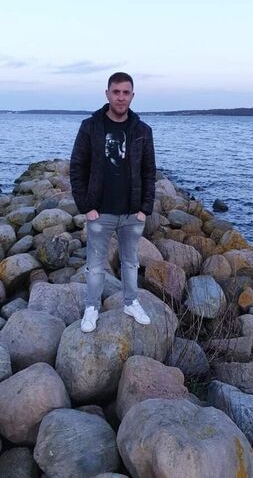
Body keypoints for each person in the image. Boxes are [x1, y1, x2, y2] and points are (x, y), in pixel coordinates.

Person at [70, 72, 156, 332]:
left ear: (132, 96)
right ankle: (92, 308)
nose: (121, 97)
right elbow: (77, 167)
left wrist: (144, 209)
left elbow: (149, 172)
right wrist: (87, 207)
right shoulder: (90, 126)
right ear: (107, 94)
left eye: (125, 92)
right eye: (116, 92)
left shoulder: (143, 130)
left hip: (132, 213)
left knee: (131, 262)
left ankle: (131, 302)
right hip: (100, 211)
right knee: (95, 265)